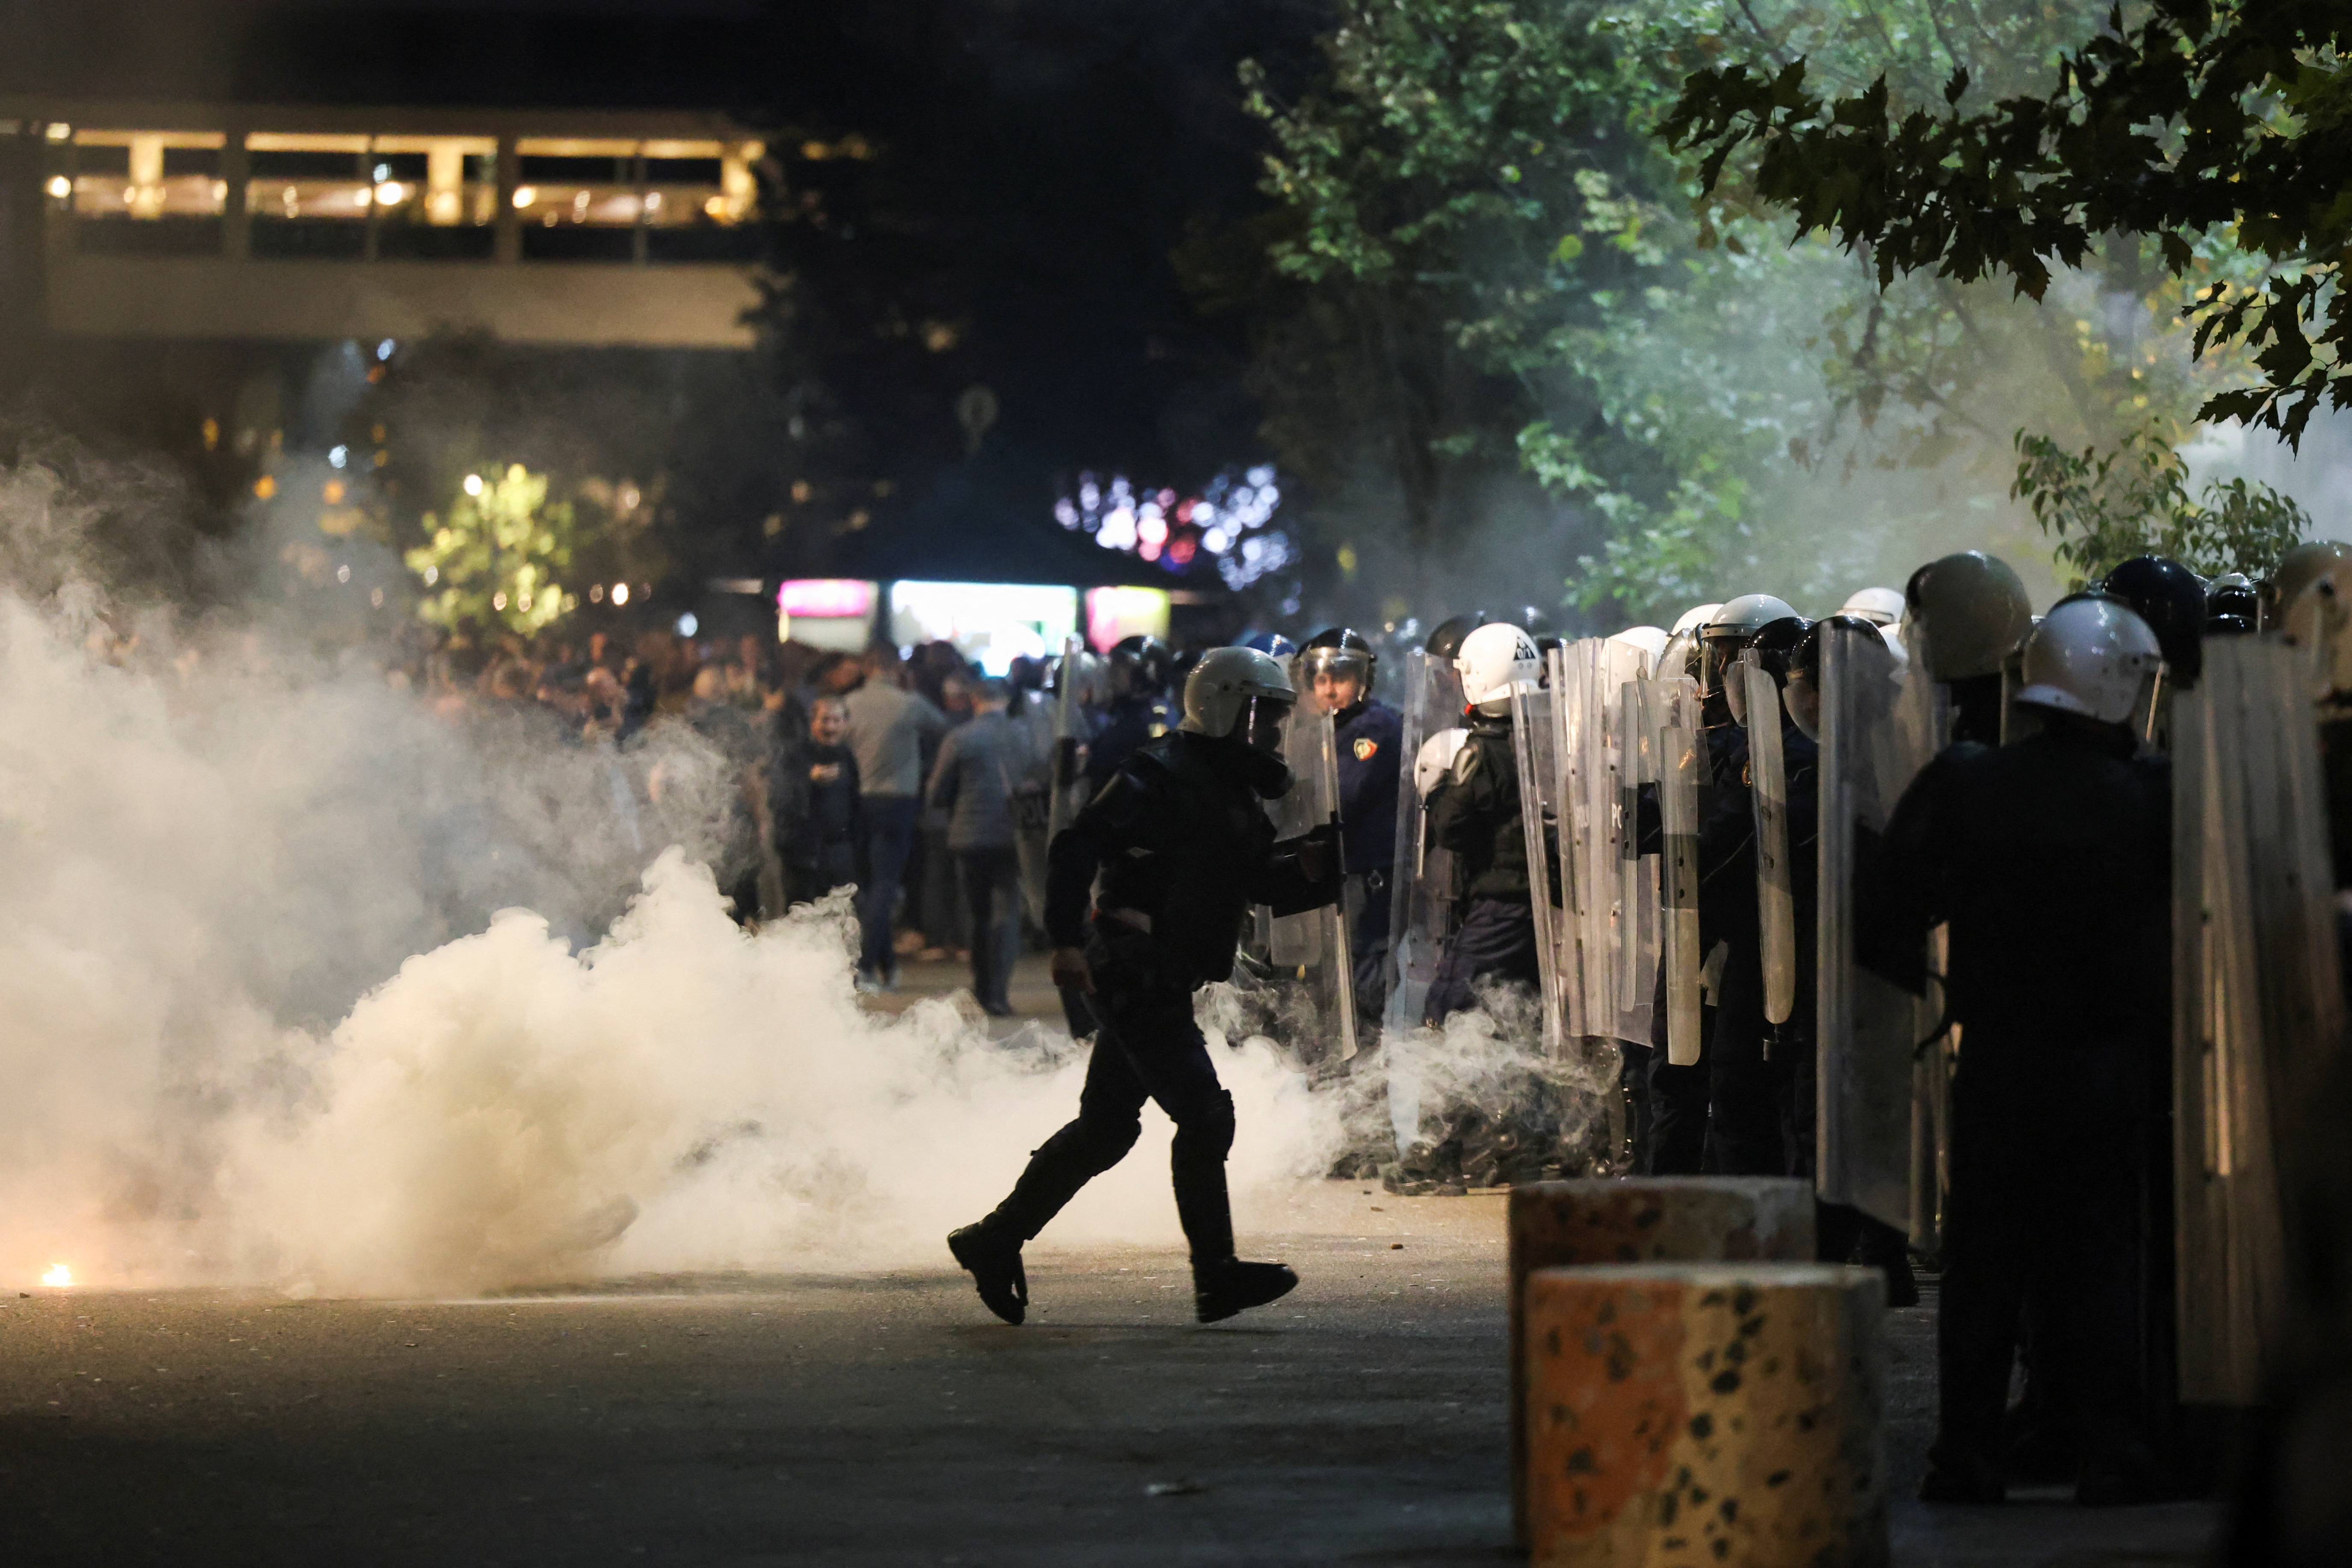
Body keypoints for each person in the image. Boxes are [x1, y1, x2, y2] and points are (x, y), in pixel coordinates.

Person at [1863, 597, 2174, 1506]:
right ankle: (2111, 1453)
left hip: (1998, 1061)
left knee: (1984, 1265)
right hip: (2108, 1065)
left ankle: (1964, 1456)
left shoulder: (1968, 783)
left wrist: (1944, 990)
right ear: (2115, 686)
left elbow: (1882, 921)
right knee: (2101, 1259)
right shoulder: (2151, 796)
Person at [947, 647, 1341, 1325]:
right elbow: (1076, 845)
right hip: (1132, 965)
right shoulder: (1158, 771)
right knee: (1205, 1113)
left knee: (1107, 1129)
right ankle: (1214, 1275)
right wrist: (1066, 939)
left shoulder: (1235, 788)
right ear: (1224, 706)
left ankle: (993, 1238)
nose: (1273, 734)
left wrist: (1308, 865)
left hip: (1164, 971)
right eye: (1263, 717)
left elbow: (1253, 884)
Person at [1421, 623, 1545, 1025]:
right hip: (1543, 898)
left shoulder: (1481, 749)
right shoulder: (1547, 735)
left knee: (1447, 1008)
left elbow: (1449, 827)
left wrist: (1435, 790)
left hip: (1500, 901)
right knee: (1521, 1013)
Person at [1300, 626, 1403, 1023]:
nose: (1328, 691)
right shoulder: (1325, 728)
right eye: (1321, 680)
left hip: (1365, 878)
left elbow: (1338, 797)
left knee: (1362, 984)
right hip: (1335, 875)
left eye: (1339, 679)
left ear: (1363, 680)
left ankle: (1366, 1072)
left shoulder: (1373, 727)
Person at [842, 647, 949, 991]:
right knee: (886, 884)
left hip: (860, 799)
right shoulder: (909, 704)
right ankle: (868, 965)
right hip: (899, 799)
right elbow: (943, 727)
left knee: (872, 885)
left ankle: (886, 963)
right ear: (896, 668)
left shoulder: (851, 703)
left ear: (867, 667)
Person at [926, 676, 1033, 1016]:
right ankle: (999, 992)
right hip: (1014, 834)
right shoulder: (1025, 734)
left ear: (975, 700)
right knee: (1007, 908)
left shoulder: (961, 737)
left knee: (977, 912)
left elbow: (937, 792)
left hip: (970, 836)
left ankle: (981, 987)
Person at [777, 695, 863, 909]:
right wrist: (809, 780)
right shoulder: (795, 755)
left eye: (837, 721)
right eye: (825, 720)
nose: (831, 727)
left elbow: (855, 803)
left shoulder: (847, 756)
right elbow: (780, 798)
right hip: (804, 857)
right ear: (813, 722)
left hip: (839, 856)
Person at [1083, 635, 1175, 792]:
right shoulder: (1124, 712)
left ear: (1146, 673)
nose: (1112, 672)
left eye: (1121, 666)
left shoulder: (1154, 720)